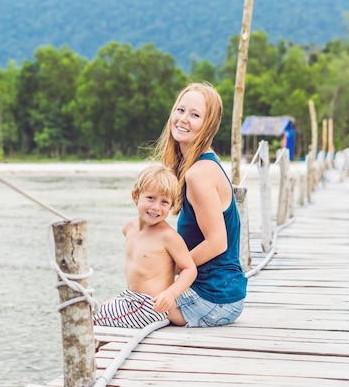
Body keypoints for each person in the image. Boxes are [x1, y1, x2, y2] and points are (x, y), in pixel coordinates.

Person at [152, 82, 247, 327]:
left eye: (195, 115)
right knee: (131, 296)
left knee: (114, 312)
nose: (183, 119)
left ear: (208, 126)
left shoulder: (199, 174)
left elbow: (217, 242)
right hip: (220, 293)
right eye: (180, 110)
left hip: (212, 299)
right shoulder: (203, 162)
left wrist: (170, 269)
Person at [93, 165, 198, 328]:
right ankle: (102, 352)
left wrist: (170, 294)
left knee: (88, 320)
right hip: (130, 297)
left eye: (164, 202)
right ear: (135, 196)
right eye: (150, 198)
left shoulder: (168, 237)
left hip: (151, 306)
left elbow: (189, 269)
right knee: (94, 308)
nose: (156, 207)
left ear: (171, 206)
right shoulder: (128, 228)